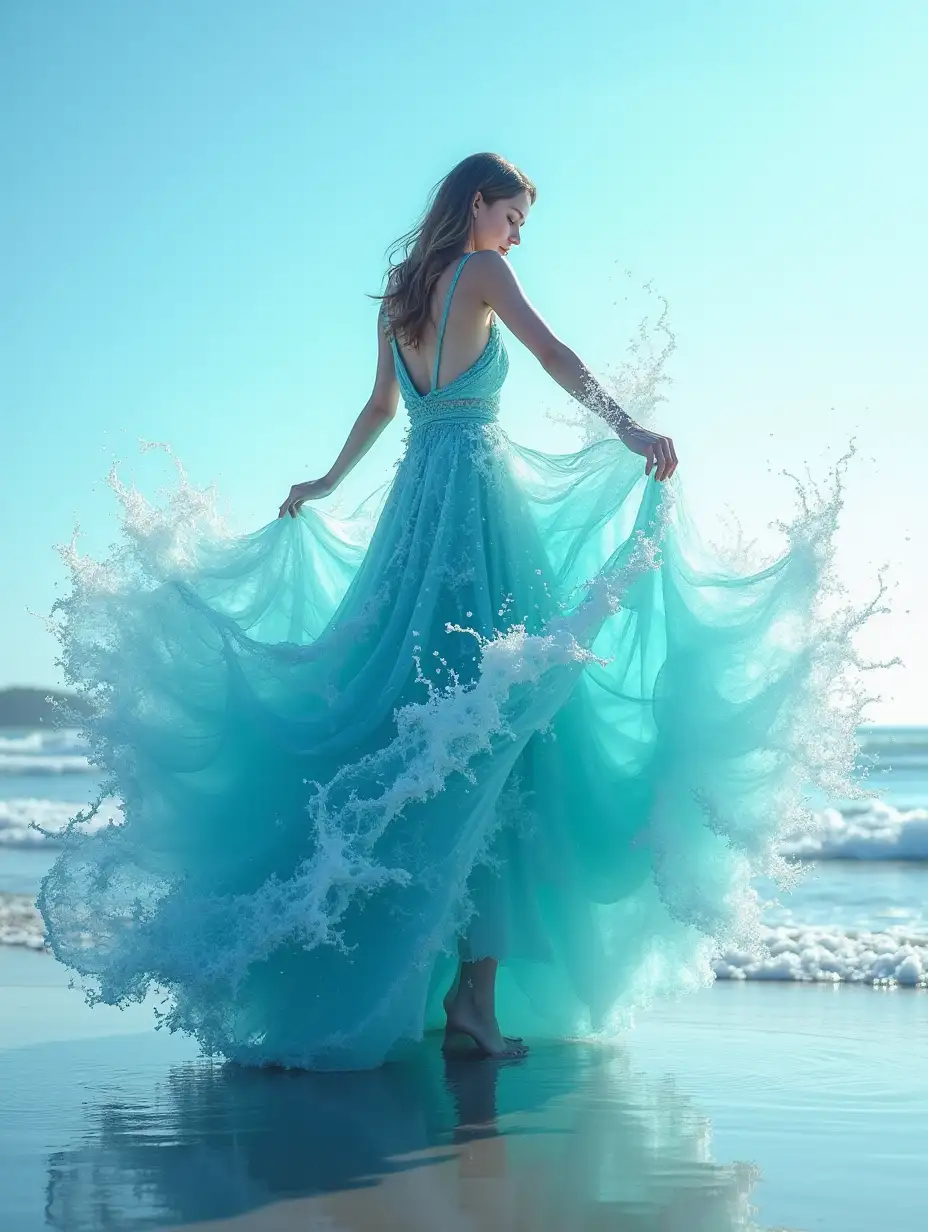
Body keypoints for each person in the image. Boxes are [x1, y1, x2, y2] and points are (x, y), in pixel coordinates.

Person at [37, 152, 865, 1072]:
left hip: (413, 516)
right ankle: (472, 997)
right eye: (514, 214)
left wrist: (325, 480)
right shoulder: (483, 271)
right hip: (474, 510)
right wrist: (628, 426)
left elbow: (380, 407)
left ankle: (414, 979)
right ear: (478, 204)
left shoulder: (402, 296)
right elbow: (552, 355)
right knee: (504, 735)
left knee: (418, 727)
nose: (518, 233)